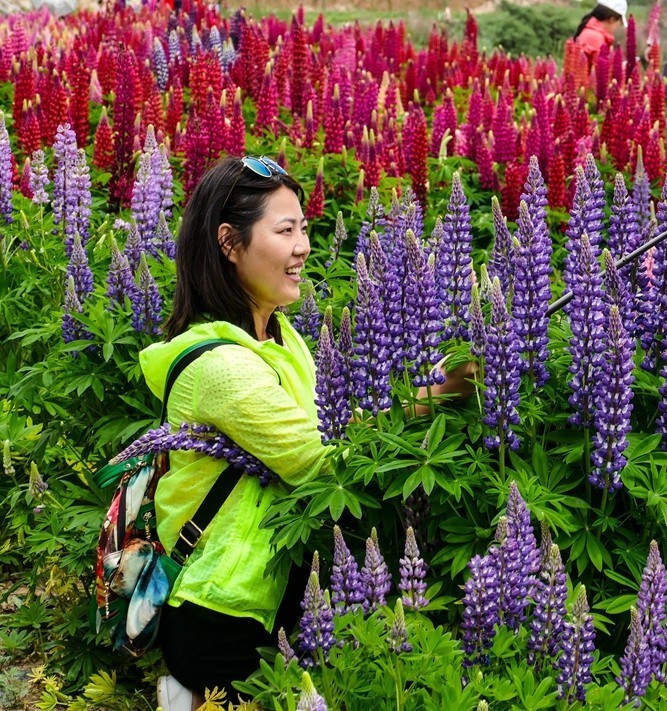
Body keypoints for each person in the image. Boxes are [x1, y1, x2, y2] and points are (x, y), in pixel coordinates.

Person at [142, 156, 474, 710]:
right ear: (229, 243)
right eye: (285, 230)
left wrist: (435, 385)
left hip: (285, 590)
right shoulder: (222, 368)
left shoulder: (283, 339)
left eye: (304, 229)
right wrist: (431, 399)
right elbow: (322, 463)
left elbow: (338, 427)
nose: (303, 247)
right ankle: (190, 692)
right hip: (225, 608)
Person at [573, 0, 626, 66]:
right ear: (612, 19)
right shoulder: (596, 39)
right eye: (619, 24)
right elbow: (598, 72)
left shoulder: (590, 31)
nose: (617, 28)